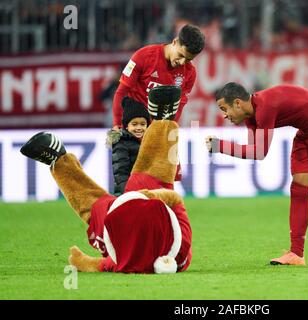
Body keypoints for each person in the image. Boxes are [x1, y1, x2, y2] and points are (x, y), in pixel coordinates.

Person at [20, 86, 192, 274]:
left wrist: (81, 261)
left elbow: (103, 264)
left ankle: (59, 161)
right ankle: (162, 119)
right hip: (135, 204)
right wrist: (153, 195)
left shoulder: (173, 254)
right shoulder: (177, 253)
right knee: (151, 176)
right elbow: (176, 203)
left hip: (126, 208)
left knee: (95, 205)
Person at [205, 82, 308, 266]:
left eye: (224, 109)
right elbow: (256, 153)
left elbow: (260, 151)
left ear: (237, 103)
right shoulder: (252, 116)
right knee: (299, 189)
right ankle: (296, 254)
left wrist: (220, 146)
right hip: (307, 133)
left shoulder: (265, 107)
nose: (224, 115)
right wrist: (220, 147)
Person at [112, 24, 205, 130]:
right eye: (181, 55)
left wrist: (167, 129)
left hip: (156, 132)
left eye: (188, 59)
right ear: (174, 42)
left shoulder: (190, 72)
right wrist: (117, 125)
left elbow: (179, 106)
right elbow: (121, 92)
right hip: (132, 126)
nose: (182, 62)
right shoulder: (143, 56)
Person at [108, 97, 151, 195]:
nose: (139, 128)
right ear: (127, 126)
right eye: (134, 124)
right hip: (127, 196)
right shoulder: (121, 143)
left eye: (143, 124)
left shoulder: (147, 142)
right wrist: (128, 195)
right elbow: (121, 174)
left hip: (143, 194)